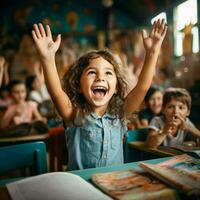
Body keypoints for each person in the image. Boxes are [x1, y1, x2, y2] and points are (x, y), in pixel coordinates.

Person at [32, 19, 167, 170]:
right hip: (81, 186)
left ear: (116, 87)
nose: (100, 77)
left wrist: (153, 52)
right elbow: (56, 92)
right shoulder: (74, 115)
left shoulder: (121, 114)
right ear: (78, 86)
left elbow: (142, 87)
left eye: (108, 73)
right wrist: (47, 58)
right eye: (91, 72)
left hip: (114, 184)